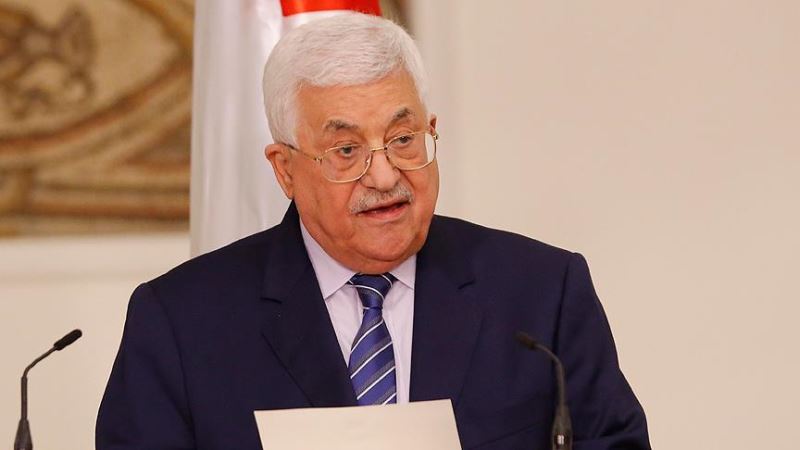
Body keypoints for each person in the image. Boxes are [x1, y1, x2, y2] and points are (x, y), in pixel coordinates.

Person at [96, 12, 650, 450]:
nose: (384, 176)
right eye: (346, 150)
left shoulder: (542, 293)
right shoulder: (181, 322)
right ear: (285, 170)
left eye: (404, 139)